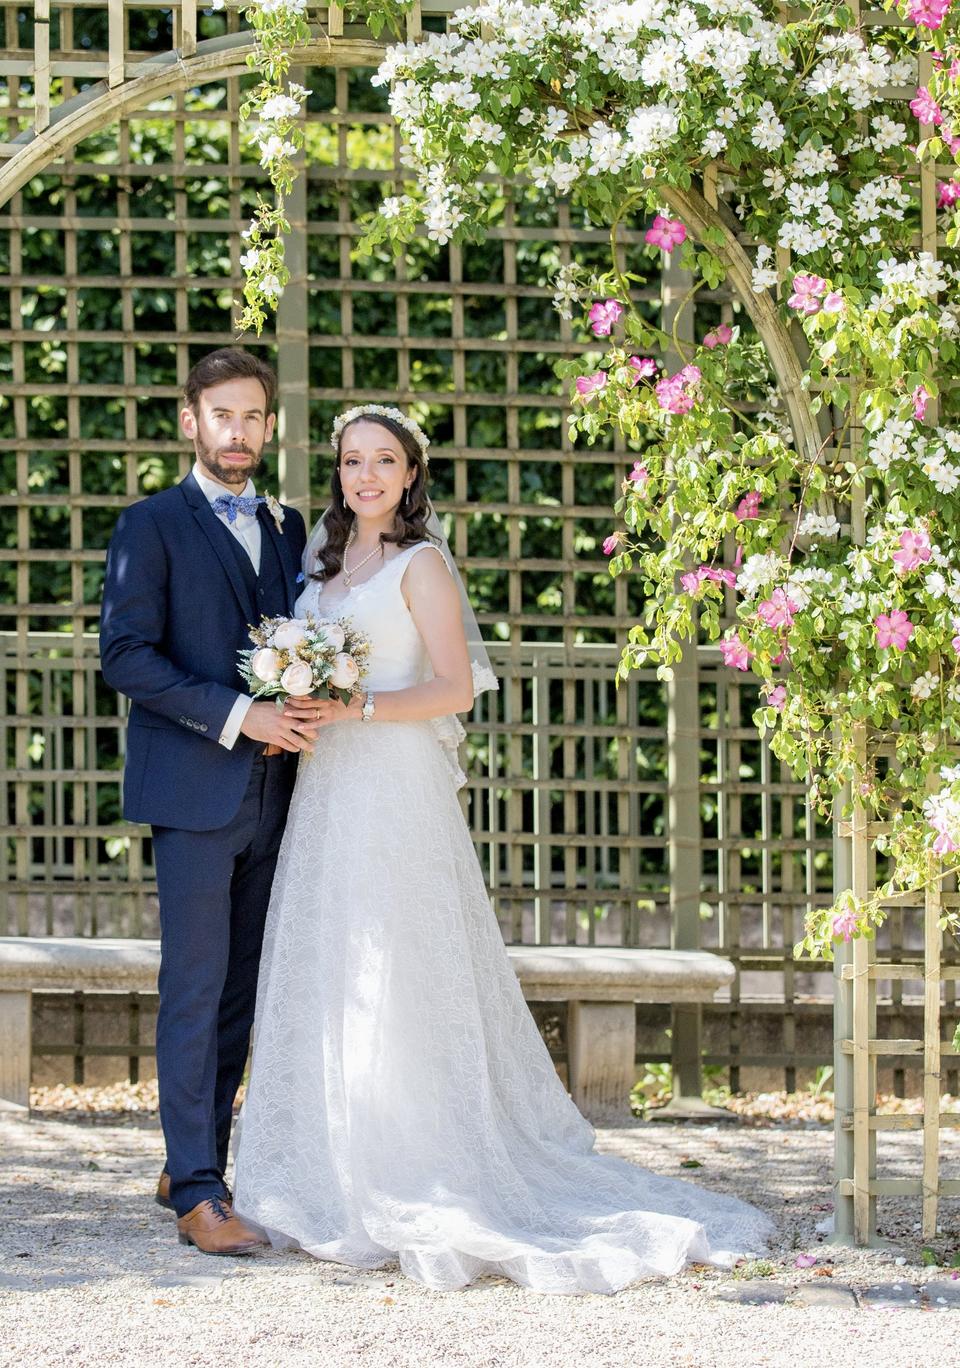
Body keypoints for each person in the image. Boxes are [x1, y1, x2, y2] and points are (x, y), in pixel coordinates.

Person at [231, 404, 774, 1293]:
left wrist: (354, 707)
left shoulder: (423, 565)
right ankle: (330, 1170)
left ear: (411, 475)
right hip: (328, 790)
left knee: (402, 966)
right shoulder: (322, 563)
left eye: (384, 462)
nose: (365, 476)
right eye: (352, 461)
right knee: (333, 962)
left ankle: (417, 1165)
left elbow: (454, 690)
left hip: (391, 785)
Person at [100, 348, 313, 1255]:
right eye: (221, 415)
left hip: (286, 795)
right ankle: (198, 1196)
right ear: (191, 420)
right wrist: (240, 717)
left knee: (241, 995)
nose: (238, 432)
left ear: (269, 425)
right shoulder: (148, 525)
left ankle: (194, 1158)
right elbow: (127, 656)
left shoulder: (292, 524)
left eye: (253, 416)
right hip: (194, 790)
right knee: (193, 989)